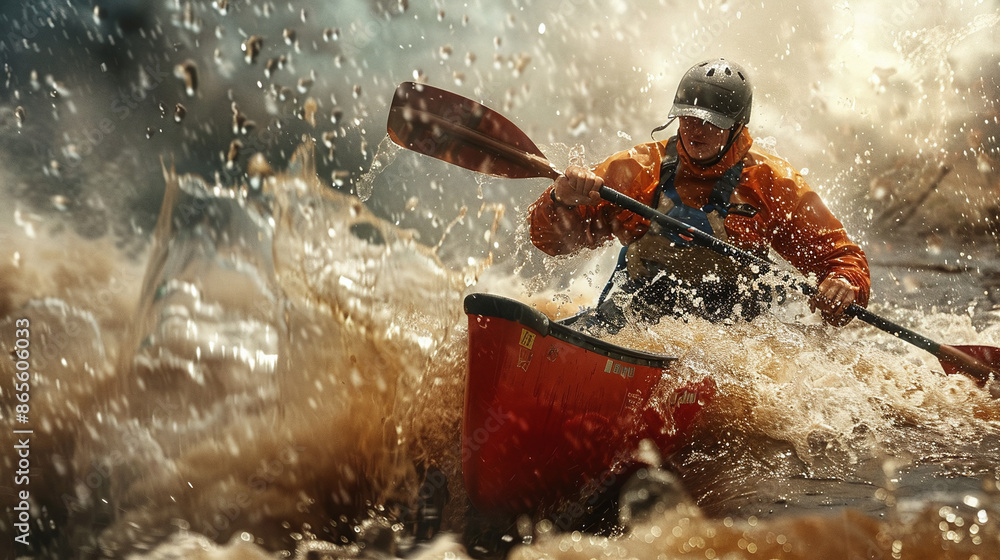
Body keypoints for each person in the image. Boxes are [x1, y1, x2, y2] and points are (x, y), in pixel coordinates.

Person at [528, 58, 870, 331]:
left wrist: (842, 283)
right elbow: (553, 242)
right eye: (688, 118)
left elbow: (840, 258)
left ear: (738, 125)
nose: (696, 130)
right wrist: (561, 200)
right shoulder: (636, 169)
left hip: (731, 334)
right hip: (634, 318)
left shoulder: (773, 184)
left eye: (711, 121)